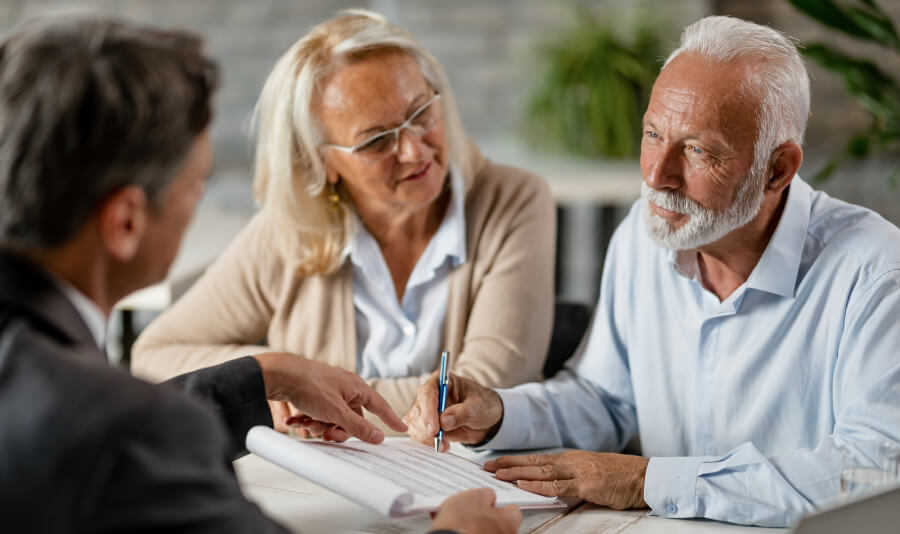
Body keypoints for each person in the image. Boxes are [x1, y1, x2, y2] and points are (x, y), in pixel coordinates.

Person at [0, 16, 520, 533]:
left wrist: (266, 375)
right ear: (126, 223)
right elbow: (123, 429)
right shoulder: (127, 434)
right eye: (195, 185)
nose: (200, 201)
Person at [404, 15, 900, 528]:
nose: (657, 175)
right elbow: (605, 399)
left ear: (777, 169)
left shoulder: (878, 274)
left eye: (698, 150)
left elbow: (874, 472)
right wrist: (499, 413)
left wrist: (647, 481)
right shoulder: (643, 238)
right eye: (653, 133)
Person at [129, 9, 556, 434]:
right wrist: (275, 376)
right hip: (324, 488)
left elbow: (487, 394)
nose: (414, 150)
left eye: (421, 112)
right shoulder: (290, 231)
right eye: (376, 140)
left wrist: (317, 396)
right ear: (321, 161)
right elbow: (154, 354)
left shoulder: (514, 200)